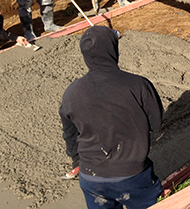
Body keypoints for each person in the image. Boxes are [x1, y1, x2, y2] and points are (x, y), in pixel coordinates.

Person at [59, 26, 164, 209]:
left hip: (90, 177)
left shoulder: (71, 93)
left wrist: (77, 161)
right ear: (113, 51)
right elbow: (156, 123)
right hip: (131, 176)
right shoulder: (138, 84)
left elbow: (70, 134)